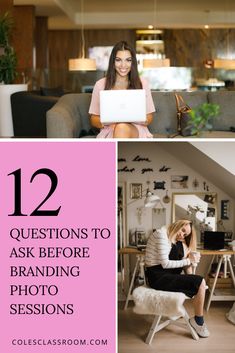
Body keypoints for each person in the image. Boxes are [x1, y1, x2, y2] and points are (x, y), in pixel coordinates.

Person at [145, 219, 210, 338]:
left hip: (168, 274)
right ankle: (198, 321)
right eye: (183, 230)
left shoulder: (174, 240)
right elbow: (165, 264)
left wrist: (190, 262)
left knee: (198, 281)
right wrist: (189, 260)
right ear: (179, 224)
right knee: (200, 281)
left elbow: (183, 263)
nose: (182, 235)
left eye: (185, 234)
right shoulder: (161, 234)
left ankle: (197, 319)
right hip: (157, 276)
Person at [89, 41, 155, 138]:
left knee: (122, 128)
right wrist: (109, 120)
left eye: (128, 60)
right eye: (118, 60)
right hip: (110, 130)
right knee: (120, 128)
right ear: (113, 61)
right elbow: (93, 119)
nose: (123, 65)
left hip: (135, 130)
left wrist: (136, 118)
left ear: (133, 62)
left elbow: (149, 117)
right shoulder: (100, 85)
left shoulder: (142, 83)